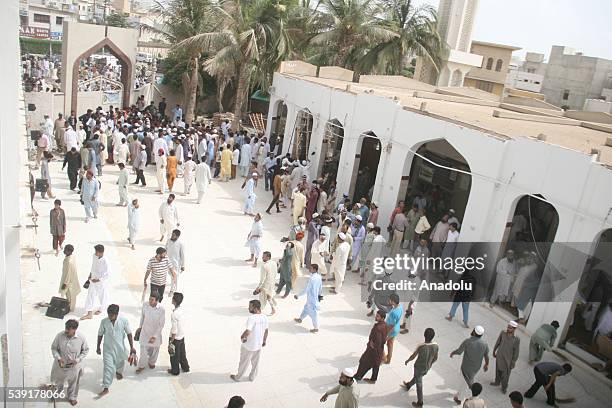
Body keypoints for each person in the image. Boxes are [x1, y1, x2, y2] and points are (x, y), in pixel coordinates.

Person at [96, 304, 136, 397]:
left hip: (120, 348)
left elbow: (129, 333)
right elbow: (100, 334)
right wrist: (98, 347)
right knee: (108, 367)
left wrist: (132, 347)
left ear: (117, 314)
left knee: (120, 362)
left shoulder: (123, 321)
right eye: (109, 314)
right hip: (108, 349)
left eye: (112, 315)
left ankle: (118, 372)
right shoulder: (104, 322)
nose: (110, 317)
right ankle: (106, 387)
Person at [50, 319, 89, 406]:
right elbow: (54, 348)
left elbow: (85, 350)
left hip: (74, 366)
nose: (66, 330)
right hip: (61, 365)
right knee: (59, 382)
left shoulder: (81, 338)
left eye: (69, 329)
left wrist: (77, 360)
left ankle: (72, 397)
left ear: (74, 329)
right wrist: (58, 358)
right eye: (66, 328)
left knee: (73, 383)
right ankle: (57, 394)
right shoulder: (59, 336)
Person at [230, 299, 269, 382]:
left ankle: (238, 377)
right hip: (258, 345)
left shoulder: (252, 318)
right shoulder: (265, 317)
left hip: (248, 346)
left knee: (243, 363)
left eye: (250, 307)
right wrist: (264, 341)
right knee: (255, 363)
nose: (248, 309)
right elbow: (266, 330)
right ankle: (252, 377)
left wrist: (242, 337)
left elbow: (248, 331)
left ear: (255, 308)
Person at [450, 326, 490, 404]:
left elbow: (459, 351)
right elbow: (486, 356)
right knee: (467, 381)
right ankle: (461, 394)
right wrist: (487, 364)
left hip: (466, 367)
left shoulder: (468, 341)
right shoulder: (485, 344)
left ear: (474, 332)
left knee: (464, 382)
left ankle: (460, 398)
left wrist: (453, 353)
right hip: (475, 368)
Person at [403, 327, 439, 407]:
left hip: (419, 367)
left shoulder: (421, 346)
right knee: (417, 377)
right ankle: (408, 385)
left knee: (419, 384)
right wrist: (430, 364)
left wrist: (408, 360)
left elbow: (414, 356)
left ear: (424, 335)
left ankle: (420, 402)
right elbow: (436, 358)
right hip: (427, 367)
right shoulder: (436, 346)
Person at [354, 310, 388, 384]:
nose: (376, 317)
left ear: (382, 318)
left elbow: (378, 341)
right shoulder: (385, 325)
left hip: (373, 350)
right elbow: (384, 338)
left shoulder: (378, 328)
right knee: (375, 364)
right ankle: (373, 379)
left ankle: (358, 376)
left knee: (363, 361)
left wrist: (372, 345)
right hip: (379, 350)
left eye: (378, 316)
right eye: (376, 315)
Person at [135, 292, 166, 374]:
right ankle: (141, 366)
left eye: (152, 300)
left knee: (155, 350)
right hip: (145, 331)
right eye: (149, 299)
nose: (150, 301)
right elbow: (142, 316)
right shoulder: (145, 305)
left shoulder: (161, 309)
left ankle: (152, 362)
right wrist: (140, 327)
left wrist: (155, 336)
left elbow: (161, 324)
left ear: (157, 301)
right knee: (143, 350)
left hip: (155, 333)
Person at [81, 244, 110, 320]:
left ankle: (101, 309)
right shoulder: (94, 256)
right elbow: (93, 266)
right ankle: (89, 313)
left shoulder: (105, 261)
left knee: (102, 296)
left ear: (101, 252)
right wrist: (90, 275)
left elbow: (107, 274)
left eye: (97, 252)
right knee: (90, 295)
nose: (95, 253)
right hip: (92, 279)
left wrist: (98, 280)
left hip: (100, 282)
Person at [491, 321, 520, 394]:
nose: (508, 329)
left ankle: (504, 387)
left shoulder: (516, 339)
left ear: (514, 329)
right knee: (497, 372)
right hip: (499, 357)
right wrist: (494, 351)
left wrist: (513, 362)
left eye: (510, 328)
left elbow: (516, 352)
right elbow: (498, 342)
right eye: (508, 327)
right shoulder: (502, 333)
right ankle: (497, 382)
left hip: (507, 361)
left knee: (505, 376)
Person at [294, 264, 323, 333]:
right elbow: (320, 287)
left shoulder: (312, 279)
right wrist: (319, 295)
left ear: (315, 270)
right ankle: (300, 319)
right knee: (306, 308)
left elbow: (307, 290)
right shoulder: (319, 276)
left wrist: (298, 295)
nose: (309, 269)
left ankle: (316, 328)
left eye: (311, 268)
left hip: (311, 299)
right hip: (314, 298)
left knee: (313, 314)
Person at [168, 292, 190, 375]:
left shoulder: (174, 314)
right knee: (182, 353)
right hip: (182, 335)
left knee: (174, 356)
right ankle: (185, 367)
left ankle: (175, 370)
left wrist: (171, 341)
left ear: (174, 301)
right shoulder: (181, 310)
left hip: (176, 338)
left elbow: (174, 329)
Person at [59, 244, 80, 312]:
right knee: (71, 296)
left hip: (69, 282)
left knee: (70, 296)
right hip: (72, 280)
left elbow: (68, 274)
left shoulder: (69, 261)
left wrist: (65, 284)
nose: (64, 251)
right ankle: (70, 308)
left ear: (69, 251)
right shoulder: (72, 257)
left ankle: (70, 309)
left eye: (65, 250)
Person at [384, 293, 403, 364]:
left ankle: (388, 359)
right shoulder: (400, 307)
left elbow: (391, 325)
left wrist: (387, 335)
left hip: (392, 330)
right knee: (390, 343)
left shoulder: (393, 313)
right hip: (396, 328)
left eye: (390, 300)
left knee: (389, 344)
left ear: (393, 301)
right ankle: (389, 356)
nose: (389, 301)